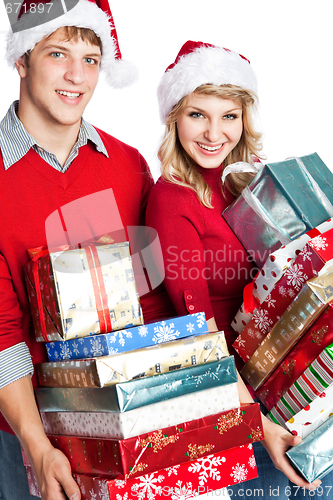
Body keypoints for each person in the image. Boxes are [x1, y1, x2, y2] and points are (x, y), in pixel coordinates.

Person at [0, 1, 175, 499]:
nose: (77, 76)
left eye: (91, 59)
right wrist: (37, 446)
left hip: (129, 416)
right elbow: (2, 334)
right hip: (23, 432)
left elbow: (154, 298)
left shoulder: (127, 166)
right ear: (22, 60)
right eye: (58, 54)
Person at [146, 40, 327, 498]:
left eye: (228, 115)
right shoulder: (171, 199)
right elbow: (198, 332)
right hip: (243, 402)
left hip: (305, 385)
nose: (213, 133)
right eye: (197, 114)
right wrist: (258, 423)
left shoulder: (258, 180)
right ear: (174, 118)